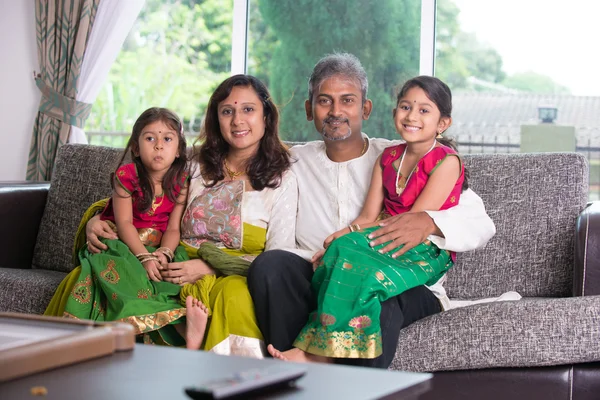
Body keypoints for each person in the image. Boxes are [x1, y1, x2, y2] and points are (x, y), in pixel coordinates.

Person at [247, 53, 496, 368]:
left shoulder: (406, 152)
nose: (336, 111)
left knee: (377, 294)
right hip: (324, 272)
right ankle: (294, 377)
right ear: (309, 110)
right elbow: (273, 226)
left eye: (347, 100)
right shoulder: (293, 163)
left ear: (366, 108)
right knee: (271, 267)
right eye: (325, 101)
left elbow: (479, 222)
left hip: (403, 281)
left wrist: (429, 223)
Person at [78, 75, 298, 357]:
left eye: (248, 109)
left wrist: (211, 267)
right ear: (216, 118)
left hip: (238, 272)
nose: (237, 120)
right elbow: (143, 201)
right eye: (227, 111)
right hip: (175, 261)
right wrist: (97, 219)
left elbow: (278, 258)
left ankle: (229, 382)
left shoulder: (283, 177)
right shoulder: (194, 164)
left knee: (234, 296)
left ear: (266, 116)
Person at [47, 107, 209, 349]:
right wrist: (143, 257)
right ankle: (180, 328)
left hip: (160, 244)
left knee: (170, 275)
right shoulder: (127, 175)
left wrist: (163, 252)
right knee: (123, 268)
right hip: (122, 241)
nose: (158, 146)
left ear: (178, 149)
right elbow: (123, 223)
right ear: (135, 147)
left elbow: (174, 228)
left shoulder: (182, 180)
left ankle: (177, 326)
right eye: (149, 138)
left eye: (167, 139)